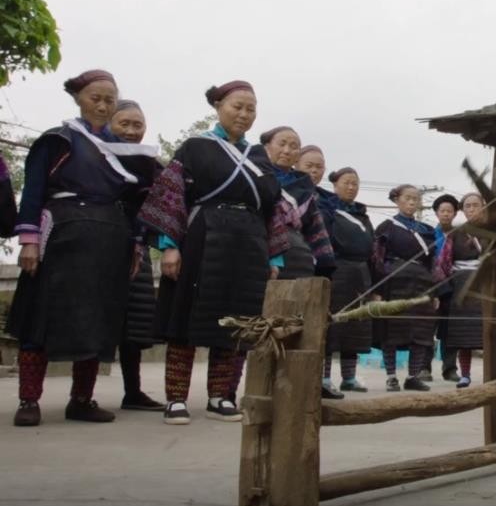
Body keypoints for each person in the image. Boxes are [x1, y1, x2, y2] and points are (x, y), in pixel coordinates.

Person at [7, 70, 157, 427]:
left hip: (111, 239)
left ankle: (81, 400)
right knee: (43, 317)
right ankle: (29, 400)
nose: (103, 106)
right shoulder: (57, 141)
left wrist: (136, 245)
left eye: (109, 100)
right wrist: (29, 241)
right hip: (62, 234)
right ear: (79, 99)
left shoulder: (126, 152)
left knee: (97, 320)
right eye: (96, 98)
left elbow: (136, 203)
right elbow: (33, 191)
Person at [139, 80, 288, 426]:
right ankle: (176, 398)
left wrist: (274, 257)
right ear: (219, 107)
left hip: (250, 241)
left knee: (238, 321)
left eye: (251, 109)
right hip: (203, 235)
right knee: (186, 316)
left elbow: (273, 208)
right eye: (237, 106)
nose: (244, 114)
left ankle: (220, 396)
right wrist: (170, 246)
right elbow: (171, 196)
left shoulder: (259, 157)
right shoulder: (195, 147)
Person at [109, 100, 164, 411]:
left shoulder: (151, 164)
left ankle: (133, 392)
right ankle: (80, 395)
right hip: (100, 242)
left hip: (137, 247)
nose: (131, 131)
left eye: (138, 125)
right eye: (124, 124)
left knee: (135, 322)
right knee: (93, 317)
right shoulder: (96, 156)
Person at [371, 184, 438, 392]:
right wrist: (377, 290)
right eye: (407, 197)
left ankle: (413, 377)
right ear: (397, 200)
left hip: (422, 284)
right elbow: (377, 258)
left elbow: (433, 263)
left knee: (420, 332)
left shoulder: (427, 230)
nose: (412, 202)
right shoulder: (387, 227)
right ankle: (391, 377)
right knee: (392, 330)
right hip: (393, 282)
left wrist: (434, 291)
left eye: (415, 198)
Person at [319, 167, 376, 397]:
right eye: (347, 183)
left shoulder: (363, 215)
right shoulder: (328, 209)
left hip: (360, 274)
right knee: (332, 327)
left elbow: (372, 249)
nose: (351, 187)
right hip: (337, 270)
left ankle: (349, 378)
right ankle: (324, 378)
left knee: (355, 326)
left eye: (355, 183)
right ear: (335, 185)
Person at [260, 126, 334, 281]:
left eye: (294, 147)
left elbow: (316, 229)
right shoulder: (255, 176)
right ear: (267, 147)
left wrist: (325, 266)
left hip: (300, 259)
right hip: (261, 251)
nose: (287, 151)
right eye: (282, 144)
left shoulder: (305, 188)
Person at [434, 193, 487, 388]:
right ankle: (465, 374)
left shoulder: (494, 232)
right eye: (467, 206)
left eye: (475, 205)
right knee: (463, 336)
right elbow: (443, 264)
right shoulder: (455, 234)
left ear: (484, 206)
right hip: (460, 287)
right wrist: (444, 291)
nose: (471, 209)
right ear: (462, 210)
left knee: (488, 332)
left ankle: (492, 373)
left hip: (485, 286)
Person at [430, 194, 461, 382]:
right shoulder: (428, 234)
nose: (446, 214)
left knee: (450, 329)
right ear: (436, 213)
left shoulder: (460, 236)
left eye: (450, 211)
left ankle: (449, 368)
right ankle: (423, 368)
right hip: (432, 285)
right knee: (427, 328)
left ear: (455, 213)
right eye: (442, 211)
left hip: (453, 285)